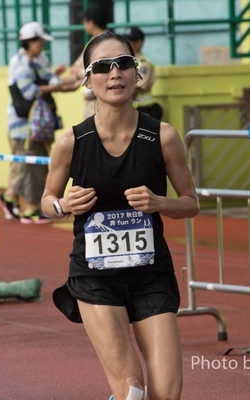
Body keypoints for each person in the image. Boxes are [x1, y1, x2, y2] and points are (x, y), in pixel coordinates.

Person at [41, 31, 199, 400]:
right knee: (133, 390)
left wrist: (160, 203)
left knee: (166, 395)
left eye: (123, 64)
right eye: (102, 67)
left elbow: (191, 203)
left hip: (150, 276)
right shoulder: (71, 142)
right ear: (87, 79)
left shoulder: (162, 137)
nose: (114, 73)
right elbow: (46, 201)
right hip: (95, 277)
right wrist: (64, 205)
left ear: (136, 73)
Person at [0, 21, 79, 224]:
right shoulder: (20, 63)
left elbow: (48, 80)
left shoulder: (37, 59)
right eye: (39, 41)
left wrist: (65, 81)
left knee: (26, 165)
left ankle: (10, 197)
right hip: (25, 126)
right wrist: (60, 86)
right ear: (30, 42)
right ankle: (30, 208)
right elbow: (30, 91)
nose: (42, 45)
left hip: (33, 126)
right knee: (31, 165)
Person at [69, 4, 109, 119]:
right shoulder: (114, 41)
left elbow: (76, 69)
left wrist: (80, 72)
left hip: (96, 100)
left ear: (91, 22)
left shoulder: (95, 43)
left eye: (85, 21)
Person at [122, 26, 163, 120]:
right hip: (129, 109)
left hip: (144, 109)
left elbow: (141, 85)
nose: (125, 44)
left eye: (129, 41)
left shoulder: (144, 63)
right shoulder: (124, 62)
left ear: (139, 43)